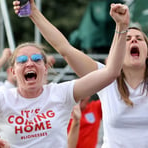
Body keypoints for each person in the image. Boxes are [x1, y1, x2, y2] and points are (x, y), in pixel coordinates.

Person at [0, 3, 128, 148]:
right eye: (22, 60)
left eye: (37, 59)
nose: (30, 63)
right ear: (13, 72)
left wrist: (121, 27)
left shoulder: (61, 93)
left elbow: (111, 73)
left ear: (46, 68)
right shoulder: (2, 99)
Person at [14, 1, 148, 147]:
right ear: (118, 52)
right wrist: (34, 12)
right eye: (127, 39)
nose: (134, 39)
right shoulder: (106, 78)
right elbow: (64, 49)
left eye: (139, 39)